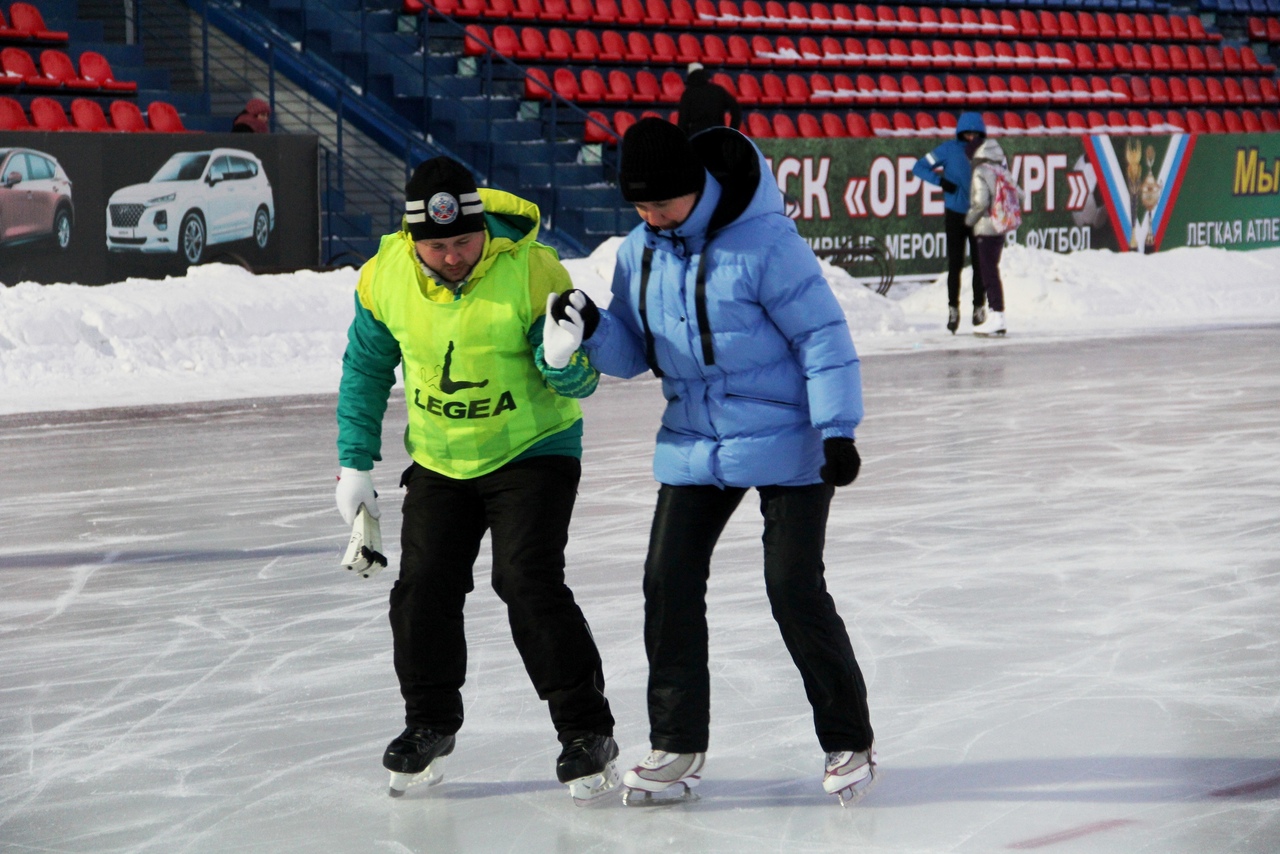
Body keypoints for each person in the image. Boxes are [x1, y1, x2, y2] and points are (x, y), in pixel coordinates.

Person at [556, 118, 875, 806]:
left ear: (695, 189)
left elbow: (822, 336)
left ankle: (848, 737)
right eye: (638, 208)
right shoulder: (639, 252)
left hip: (792, 438)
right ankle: (676, 742)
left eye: (662, 205)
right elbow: (635, 353)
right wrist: (589, 330)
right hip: (695, 439)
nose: (651, 218)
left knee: (792, 587)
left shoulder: (766, 244)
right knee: (666, 580)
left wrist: (838, 430)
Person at [334, 156, 619, 803]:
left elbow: (584, 379)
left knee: (524, 578)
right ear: (414, 240)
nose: (454, 256)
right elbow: (366, 370)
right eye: (438, 247)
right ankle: (428, 722)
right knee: (423, 588)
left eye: (464, 241)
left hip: (535, 448)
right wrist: (355, 461)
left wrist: (562, 359)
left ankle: (585, 732)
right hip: (440, 458)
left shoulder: (531, 270)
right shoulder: (385, 279)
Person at [911, 111, 987, 334]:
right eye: (968, 133)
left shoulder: (987, 150)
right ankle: (953, 309)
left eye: (976, 133)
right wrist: (941, 182)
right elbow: (920, 167)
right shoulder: (947, 149)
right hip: (955, 214)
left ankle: (979, 308)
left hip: (978, 214)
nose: (971, 137)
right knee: (955, 264)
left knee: (979, 264)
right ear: (961, 132)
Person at [965, 137, 1024, 337]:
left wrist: (969, 221)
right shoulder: (1003, 171)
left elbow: (981, 202)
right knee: (991, 270)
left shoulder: (981, 172)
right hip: (1000, 228)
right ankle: (995, 314)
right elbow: (1021, 195)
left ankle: (997, 316)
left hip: (985, 228)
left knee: (988, 272)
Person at [676, 62, 741, 137]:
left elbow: (682, 122)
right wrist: (732, 130)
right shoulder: (718, 90)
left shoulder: (688, 94)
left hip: (697, 137)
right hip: (718, 135)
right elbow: (736, 108)